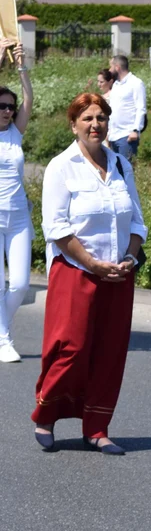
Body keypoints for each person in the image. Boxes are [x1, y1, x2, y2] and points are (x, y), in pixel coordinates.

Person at [32, 93, 147, 456]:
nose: (95, 125)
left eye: (101, 118)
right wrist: (93, 264)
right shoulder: (61, 166)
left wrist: (129, 258)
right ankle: (45, 415)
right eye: (87, 118)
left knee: (109, 352)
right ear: (74, 124)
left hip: (118, 273)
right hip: (75, 270)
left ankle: (96, 428)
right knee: (71, 348)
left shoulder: (121, 165)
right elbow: (57, 228)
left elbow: (138, 222)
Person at [0, 38, 34, 363]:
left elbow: (29, 99)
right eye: (2, 106)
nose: (8, 111)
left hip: (19, 217)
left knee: (21, 284)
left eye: (10, 107)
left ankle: (0, 331)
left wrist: (21, 67)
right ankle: (4, 340)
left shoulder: (15, 132)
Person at [107, 55, 146, 161]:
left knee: (126, 170)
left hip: (127, 135)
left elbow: (140, 108)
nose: (109, 70)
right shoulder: (116, 85)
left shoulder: (136, 83)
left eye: (111, 67)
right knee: (116, 171)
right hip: (114, 135)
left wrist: (135, 130)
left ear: (117, 67)